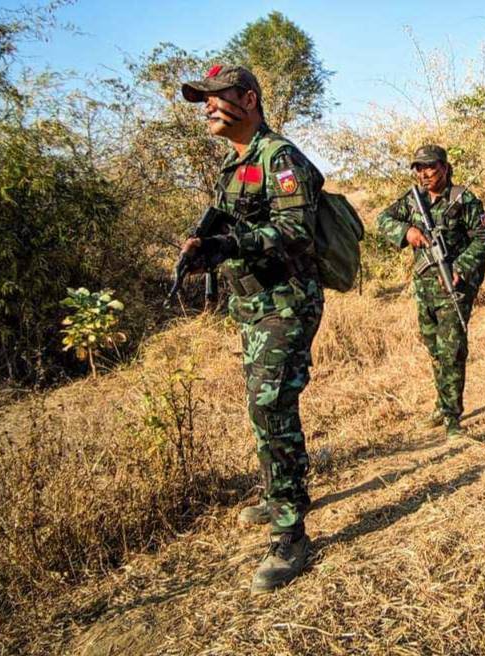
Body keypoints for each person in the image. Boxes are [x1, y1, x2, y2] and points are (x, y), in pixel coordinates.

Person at [178, 64, 323, 594]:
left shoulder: (278, 157)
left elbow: (294, 228)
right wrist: (202, 245)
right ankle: (276, 493)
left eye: (219, 97)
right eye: (204, 100)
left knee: (272, 404)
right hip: (252, 305)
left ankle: (293, 534)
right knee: (261, 406)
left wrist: (228, 246)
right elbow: (224, 217)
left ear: (250, 99)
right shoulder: (234, 164)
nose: (210, 107)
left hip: (285, 303)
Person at [376, 145, 485, 437]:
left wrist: (460, 268)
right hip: (424, 290)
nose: (423, 174)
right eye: (418, 168)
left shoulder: (462, 200)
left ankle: (453, 418)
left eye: (429, 167)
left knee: (452, 350)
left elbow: (483, 238)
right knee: (434, 349)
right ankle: (442, 404)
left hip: (453, 287)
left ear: (444, 167)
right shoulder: (413, 202)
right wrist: (407, 233)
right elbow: (382, 219)